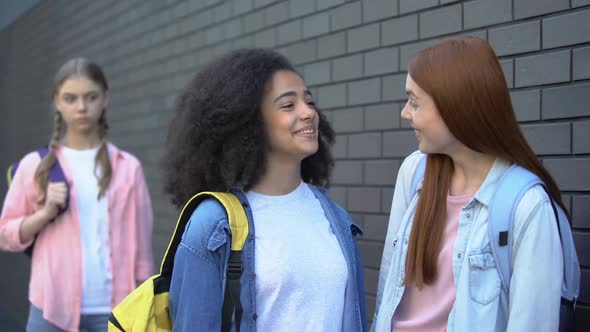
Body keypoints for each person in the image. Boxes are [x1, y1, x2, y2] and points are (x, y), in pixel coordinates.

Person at [162, 48, 367, 331]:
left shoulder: (337, 219)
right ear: (248, 123)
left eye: (309, 101)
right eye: (288, 105)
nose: (308, 112)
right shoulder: (213, 225)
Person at [371, 37, 566, 331]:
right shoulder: (414, 173)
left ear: (456, 107)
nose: (405, 113)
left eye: (414, 102)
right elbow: (389, 282)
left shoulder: (527, 205)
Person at [0, 58, 154, 332]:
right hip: (51, 308)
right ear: (57, 102)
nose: (81, 107)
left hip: (117, 310)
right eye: (70, 99)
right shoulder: (35, 166)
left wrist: (145, 303)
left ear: (105, 98)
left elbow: (142, 248)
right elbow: (5, 235)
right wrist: (45, 213)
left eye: (90, 97)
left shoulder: (128, 168)